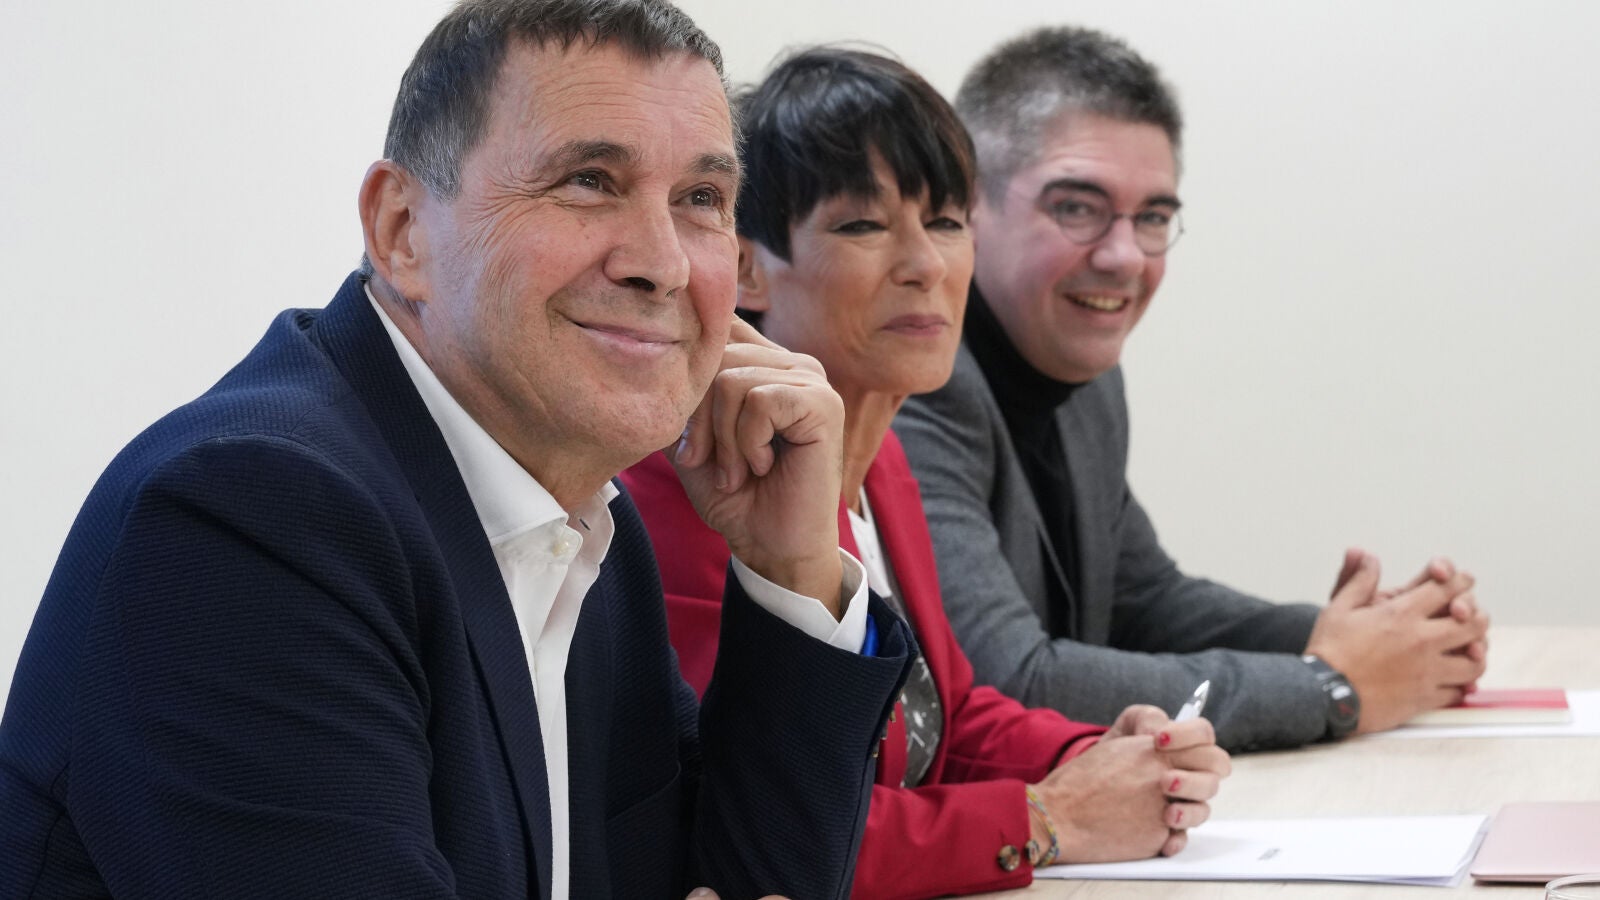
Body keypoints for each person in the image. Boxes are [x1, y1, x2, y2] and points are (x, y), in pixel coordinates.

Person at [0, 3, 917, 898]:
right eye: (589, 181)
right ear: (401, 230)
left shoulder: (585, 524)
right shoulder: (253, 514)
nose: (663, 263)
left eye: (701, 200)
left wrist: (792, 570)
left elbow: (749, 883)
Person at [621, 47, 1230, 900]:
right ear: (746, 265)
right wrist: (1046, 818)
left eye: (946, 222)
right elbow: (759, 823)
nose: (926, 266)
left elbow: (945, 713)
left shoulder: (884, 459)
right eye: (864, 227)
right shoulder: (685, 477)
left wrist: (1101, 754)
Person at [892, 25, 1489, 753]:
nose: (1124, 256)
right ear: (967, 208)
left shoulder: (1082, 373)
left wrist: (1378, 639)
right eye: (1076, 207)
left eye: (1152, 218)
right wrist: (1330, 685)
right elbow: (1007, 682)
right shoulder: (913, 382)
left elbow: (1143, 602)